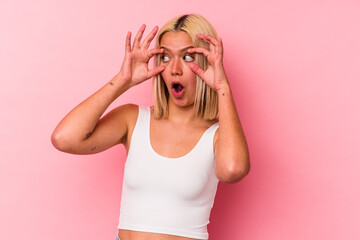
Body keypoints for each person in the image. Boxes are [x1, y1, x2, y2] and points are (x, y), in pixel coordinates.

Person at [51, 14, 250, 240]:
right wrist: (123, 80)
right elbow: (64, 138)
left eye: (186, 56)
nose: (174, 69)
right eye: (165, 57)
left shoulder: (217, 136)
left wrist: (222, 87)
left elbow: (232, 170)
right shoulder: (133, 119)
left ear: (206, 62)